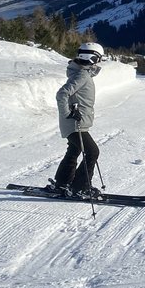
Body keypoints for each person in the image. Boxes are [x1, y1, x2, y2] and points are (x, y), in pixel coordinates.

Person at [48, 42, 105, 199]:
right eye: (100, 58)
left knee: (74, 151)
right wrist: (67, 113)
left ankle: (62, 183)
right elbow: (62, 94)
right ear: (93, 58)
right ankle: (80, 188)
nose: (100, 62)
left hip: (75, 123)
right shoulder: (82, 75)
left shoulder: (81, 73)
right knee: (92, 152)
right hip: (74, 123)